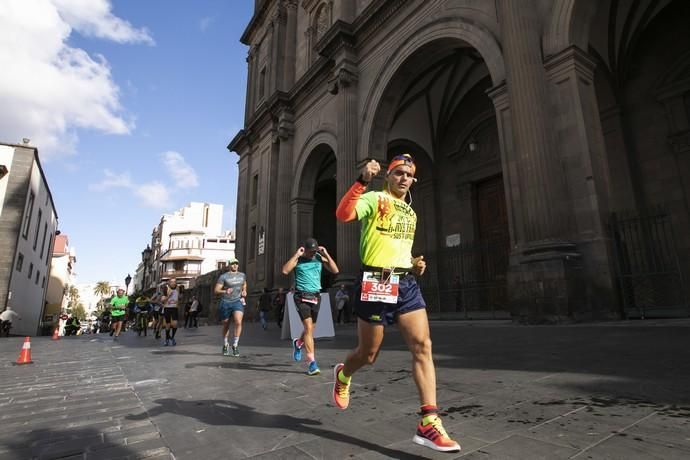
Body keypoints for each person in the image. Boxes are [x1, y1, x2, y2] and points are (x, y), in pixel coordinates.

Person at [333, 154, 461, 452]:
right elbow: (343, 215)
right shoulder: (374, 198)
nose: (404, 178)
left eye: (409, 175)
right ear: (388, 176)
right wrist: (362, 181)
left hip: (405, 284)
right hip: (375, 282)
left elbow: (401, 248)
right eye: (399, 173)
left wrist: (413, 264)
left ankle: (429, 421)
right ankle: (343, 374)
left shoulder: (411, 213)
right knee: (368, 355)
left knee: (423, 346)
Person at [281, 237, 339, 376]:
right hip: (301, 295)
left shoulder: (318, 257)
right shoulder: (299, 259)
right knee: (308, 327)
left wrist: (326, 254)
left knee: (311, 329)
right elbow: (285, 270)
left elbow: (335, 270)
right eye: (310, 251)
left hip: (315, 295)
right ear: (305, 250)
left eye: (314, 251)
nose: (312, 254)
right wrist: (296, 254)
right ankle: (312, 363)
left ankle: (298, 342)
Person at [214, 259, 247, 357]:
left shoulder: (242, 275)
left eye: (236, 263)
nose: (235, 265)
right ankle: (225, 344)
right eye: (233, 264)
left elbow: (244, 284)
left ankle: (235, 345)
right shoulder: (224, 277)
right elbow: (216, 290)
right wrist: (225, 291)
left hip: (238, 301)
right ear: (229, 265)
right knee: (226, 324)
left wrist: (244, 291)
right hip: (226, 302)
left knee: (238, 321)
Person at [161, 278, 180, 346]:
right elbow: (162, 300)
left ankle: (172, 337)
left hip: (174, 308)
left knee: (175, 323)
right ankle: (166, 339)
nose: (173, 283)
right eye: (172, 282)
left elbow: (179, 296)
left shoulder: (178, 288)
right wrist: (169, 296)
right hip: (167, 308)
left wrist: (179, 298)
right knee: (168, 325)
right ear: (169, 282)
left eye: (175, 281)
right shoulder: (166, 288)